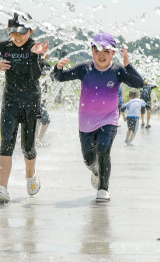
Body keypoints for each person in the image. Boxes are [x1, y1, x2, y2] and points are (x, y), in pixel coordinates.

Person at [53, 31, 143, 202]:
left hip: (109, 119)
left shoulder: (118, 70)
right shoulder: (84, 68)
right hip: (86, 123)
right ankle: (96, 171)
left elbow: (139, 84)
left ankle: (103, 189)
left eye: (106, 52)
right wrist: (57, 68)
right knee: (88, 160)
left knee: (103, 150)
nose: (101, 55)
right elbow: (60, 77)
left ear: (113, 53)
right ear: (92, 51)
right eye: (97, 51)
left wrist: (128, 66)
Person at [0, 13, 49, 203]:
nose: (16, 38)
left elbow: (35, 76)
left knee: (27, 147)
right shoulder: (3, 46)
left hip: (31, 102)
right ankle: (2, 187)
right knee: (6, 141)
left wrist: (34, 56)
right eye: (13, 33)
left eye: (21, 34)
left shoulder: (35, 48)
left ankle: (31, 173)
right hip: (10, 102)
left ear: (30, 31)